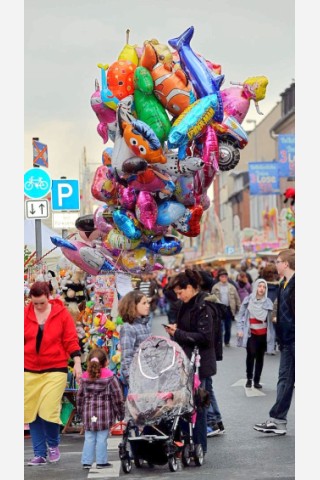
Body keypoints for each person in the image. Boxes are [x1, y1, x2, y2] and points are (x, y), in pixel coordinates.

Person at [24, 281, 82, 466]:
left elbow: (71, 340)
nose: (39, 306)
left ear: (48, 297)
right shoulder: (24, 314)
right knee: (31, 412)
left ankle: (53, 445)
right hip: (29, 369)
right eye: (35, 303)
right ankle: (39, 454)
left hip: (56, 368)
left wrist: (78, 362)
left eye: (42, 302)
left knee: (48, 410)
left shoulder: (61, 313)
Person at [164, 269, 220, 457]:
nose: (179, 296)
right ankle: (188, 443)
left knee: (198, 405)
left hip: (199, 363)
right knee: (187, 404)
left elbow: (205, 337)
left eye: (181, 292)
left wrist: (178, 333)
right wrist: (177, 330)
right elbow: (189, 329)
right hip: (187, 361)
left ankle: (199, 446)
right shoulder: (186, 304)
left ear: (190, 287)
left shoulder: (203, 306)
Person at [253, 249, 295, 435]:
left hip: (294, 339)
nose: (275, 264)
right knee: (284, 379)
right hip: (286, 340)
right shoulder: (283, 284)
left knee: (285, 380)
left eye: (278, 261)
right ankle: (278, 420)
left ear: (285, 263)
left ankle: (278, 419)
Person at [76, 348, 125, 469]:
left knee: (89, 437)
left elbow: (80, 397)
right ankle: (101, 462)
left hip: (89, 414)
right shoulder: (110, 378)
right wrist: (120, 413)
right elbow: (117, 397)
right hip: (105, 414)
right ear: (106, 362)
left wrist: (80, 411)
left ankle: (87, 461)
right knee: (102, 438)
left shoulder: (85, 378)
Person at [236, 279, 275, 389]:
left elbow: (272, 319)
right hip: (251, 334)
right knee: (251, 355)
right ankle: (249, 378)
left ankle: (257, 380)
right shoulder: (248, 300)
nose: (261, 289)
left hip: (263, 335)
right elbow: (240, 316)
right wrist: (240, 329)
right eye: (259, 286)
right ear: (255, 287)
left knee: (260, 358)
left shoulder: (268, 302)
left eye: (264, 287)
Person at [118, 290, 151, 388]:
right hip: (137, 378)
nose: (147, 306)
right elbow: (126, 358)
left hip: (147, 374)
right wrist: (131, 381)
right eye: (144, 303)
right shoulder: (128, 327)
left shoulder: (145, 324)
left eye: (147, 302)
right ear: (133, 306)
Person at [212, 268, 241, 347]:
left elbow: (237, 298)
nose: (223, 278)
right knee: (220, 326)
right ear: (219, 278)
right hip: (219, 309)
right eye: (222, 276)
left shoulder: (232, 287)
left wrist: (239, 308)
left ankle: (227, 341)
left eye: (225, 276)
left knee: (228, 326)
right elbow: (212, 299)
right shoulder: (215, 287)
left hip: (228, 308)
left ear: (227, 277)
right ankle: (219, 341)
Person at [259, 262, 280, 355]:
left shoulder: (261, 284)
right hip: (275, 307)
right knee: (274, 327)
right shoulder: (280, 284)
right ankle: (272, 346)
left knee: (264, 327)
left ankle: (266, 347)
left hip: (263, 307)